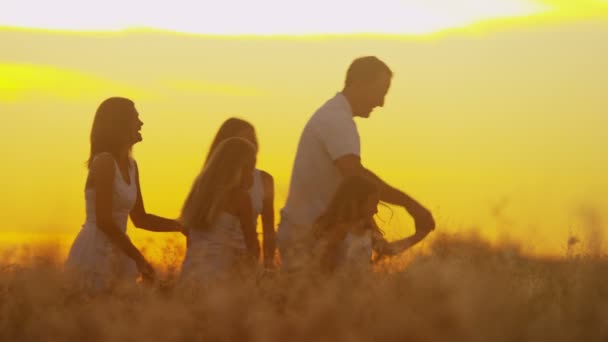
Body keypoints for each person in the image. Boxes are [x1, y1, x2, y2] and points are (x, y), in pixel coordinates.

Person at [277, 56, 435, 270]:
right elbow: (354, 175)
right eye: (380, 93)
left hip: (313, 235)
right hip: (309, 236)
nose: (381, 102)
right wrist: (410, 204)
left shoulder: (336, 116)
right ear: (360, 84)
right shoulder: (336, 119)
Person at [65, 97, 182, 291]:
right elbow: (104, 221)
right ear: (119, 124)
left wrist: (180, 225)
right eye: (135, 118)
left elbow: (141, 218)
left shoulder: (131, 166)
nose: (141, 123)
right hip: (94, 250)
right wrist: (138, 258)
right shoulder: (104, 163)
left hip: (119, 250)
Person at [179, 137, 260, 285]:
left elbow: (191, 240)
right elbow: (253, 247)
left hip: (189, 276)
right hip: (218, 279)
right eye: (249, 168)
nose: (252, 174)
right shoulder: (240, 197)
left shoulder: (199, 191)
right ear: (236, 168)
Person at [310, 175, 431, 274]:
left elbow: (387, 250)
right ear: (358, 202)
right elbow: (321, 267)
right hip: (342, 294)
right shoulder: (339, 230)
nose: (376, 210)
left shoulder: (368, 227)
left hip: (361, 292)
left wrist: (419, 235)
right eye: (373, 203)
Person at [204, 118, 276, 268]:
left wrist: (268, 264)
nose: (254, 144)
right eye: (247, 139)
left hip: (246, 260)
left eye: (254, 139)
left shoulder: (264, 180)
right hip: (215, 261)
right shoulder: (209, 182)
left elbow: (268, 230)